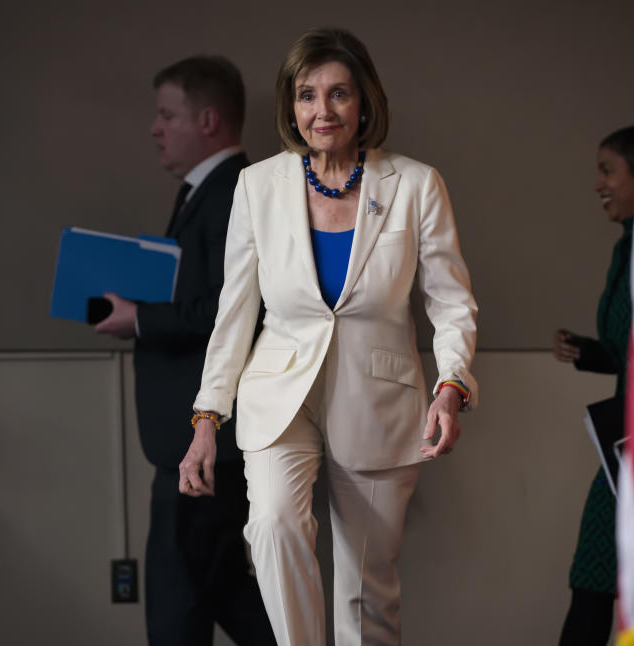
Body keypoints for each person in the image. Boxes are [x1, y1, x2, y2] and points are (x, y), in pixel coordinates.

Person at [177, 28, 479, 646]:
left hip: (380, 396)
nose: (323, 111)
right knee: (274, 529)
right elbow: (234, 311)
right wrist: (208, 416)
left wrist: (452, 386)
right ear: (291, 106)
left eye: (338, 94)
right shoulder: (258, 186)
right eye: (307, 95)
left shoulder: (417, 185)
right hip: (278, 393)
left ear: (363, 101)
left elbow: (451, 303)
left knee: (365, 589)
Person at [94, 56, 275, 646]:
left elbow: (233, 310)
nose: (155, 128)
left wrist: (140, 319)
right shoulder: (206, 192)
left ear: (208, 119)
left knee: (180, 605)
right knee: (213, 590)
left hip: (205, 446)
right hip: (200, 445)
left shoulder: (229, 194)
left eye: (167, 115)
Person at [553, 125, 634, 646]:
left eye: (608, 170)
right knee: (596, 572)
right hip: (627, 438)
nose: (597, 184)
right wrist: (590, 350)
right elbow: (632, 346)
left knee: (600, 576)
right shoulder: (626, 248)